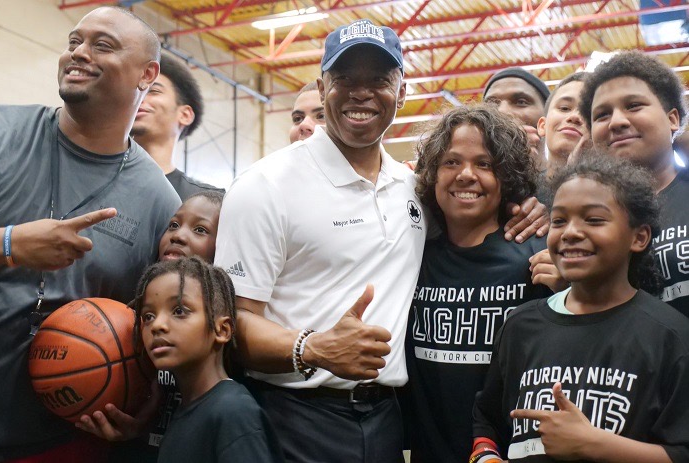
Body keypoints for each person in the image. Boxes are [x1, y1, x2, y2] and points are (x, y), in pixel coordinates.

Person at [214, 19, 548, 463]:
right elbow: (230, 321)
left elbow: (472, 212)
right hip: (291, 416)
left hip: (386, 420)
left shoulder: (413, 191)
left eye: (379, 79)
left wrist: (532, 206)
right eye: (345, 78)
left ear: (402, 92)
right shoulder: (264, 186)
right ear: (322, 85)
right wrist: (312, 348)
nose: (361, 91)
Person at [0, 6, 181, 461]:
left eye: (102, 45)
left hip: (55, 439)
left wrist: (151, 398)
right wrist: (7, 244)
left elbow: (162, 324)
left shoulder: (160, 202)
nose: (78, 54)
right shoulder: (2, 131)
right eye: (74, 41)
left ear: (146, 74)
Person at [472, 155, 689, 463]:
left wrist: (593, 444)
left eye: (594, 220)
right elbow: (487, 419)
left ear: (639, 237)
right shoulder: (521, 326)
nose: (571, 232)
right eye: (559, 220)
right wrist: (485, 455)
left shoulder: (670, 337)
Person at [405, 104, 555, 463]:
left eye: (485, 164)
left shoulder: (536, 258)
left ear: (507, 179)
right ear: (432, 174)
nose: (466, 175)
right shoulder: (412, 258)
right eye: (451, 162)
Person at [77, 191, 225, 462]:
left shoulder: (220, 325)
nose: (178, 235)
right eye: (173, 225)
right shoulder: (136, 308)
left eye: (200, 229)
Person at [133, 257, 283, 463]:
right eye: (148, 316)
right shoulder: (185, 408)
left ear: (222, 330)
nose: (157, 325)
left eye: (179, 311)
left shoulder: (233, 411)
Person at [578, 50, 689, 317]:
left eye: (633, 105)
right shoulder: (578, 220)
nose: (617, 121)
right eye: (602, 115)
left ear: (673, 119)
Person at [131, 52, 223, 200]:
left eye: (153, 91)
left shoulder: (205, 201)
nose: (140, 97)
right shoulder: (98, 181)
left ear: (185, 115)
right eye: (137, 91)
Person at [483, 67, 550, 169]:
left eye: (521, 102)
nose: (502, 111)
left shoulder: (574, 179)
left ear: (547, 117)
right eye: (492, 103)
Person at [536, 72, 588, 176]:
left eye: (587, 113)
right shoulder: (521, 190)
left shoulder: (617, 190)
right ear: (542, 126)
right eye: (564, 108)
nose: (575, 117)